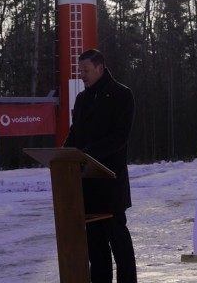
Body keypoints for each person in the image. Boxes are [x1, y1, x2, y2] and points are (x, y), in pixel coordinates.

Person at [63, 49, 137, 283]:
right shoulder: (82, 99)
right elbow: (75, 133)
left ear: (99, 68)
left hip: (110, 182)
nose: (82, 75)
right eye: (79, 70)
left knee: (119, 242)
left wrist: (88, 153)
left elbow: (119, 137)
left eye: (85, 70)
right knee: (95, 247)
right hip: (87, 185)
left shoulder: (121, 94)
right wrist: (64, 154)